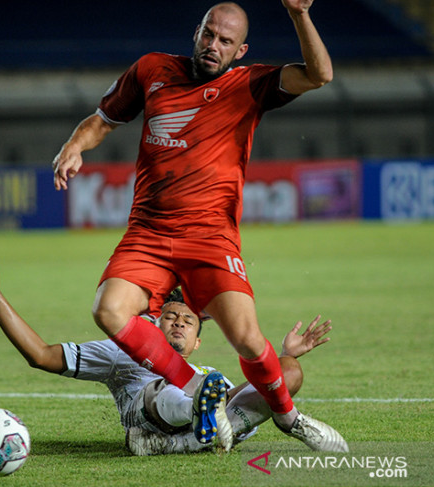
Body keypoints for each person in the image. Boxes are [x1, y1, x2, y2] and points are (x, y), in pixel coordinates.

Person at [51, 1, 347, 451]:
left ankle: (290, 419)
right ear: (197, 32)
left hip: (211, 237)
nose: (213, 46)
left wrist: (300, 15)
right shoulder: (151, 70)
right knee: (107, 310)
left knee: (249, 340)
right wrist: (75, 145)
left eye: (225, 41)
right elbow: (103, 119)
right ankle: (194, 389)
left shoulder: (250, 84)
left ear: (240, 49)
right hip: (148, 231)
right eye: (209, 35)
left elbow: (319, 74)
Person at [0, 252, 340, 455]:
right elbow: (41, 355)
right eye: (169, 317)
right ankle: (196, 422)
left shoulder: (204, 369)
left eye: (187, 322)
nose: (176, 323)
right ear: (152, 326)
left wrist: (286, 358)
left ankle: (179, 443)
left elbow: (264, 378)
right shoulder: (119, 352)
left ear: (196, 343)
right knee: (169, 388)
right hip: (151, 410)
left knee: (287, 371)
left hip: (204, 408)